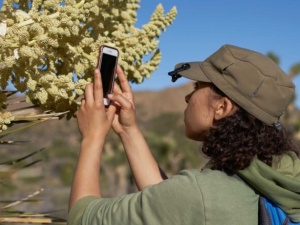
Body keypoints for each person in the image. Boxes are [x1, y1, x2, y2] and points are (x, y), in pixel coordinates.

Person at [67, 44, 300, 225]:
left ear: (222, 108)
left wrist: (92, 138)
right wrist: (128, 131)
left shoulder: (204, 195)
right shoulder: (277, 178)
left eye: (197, 87)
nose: (188, 97)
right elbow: (171, 205)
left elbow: (81, 218)